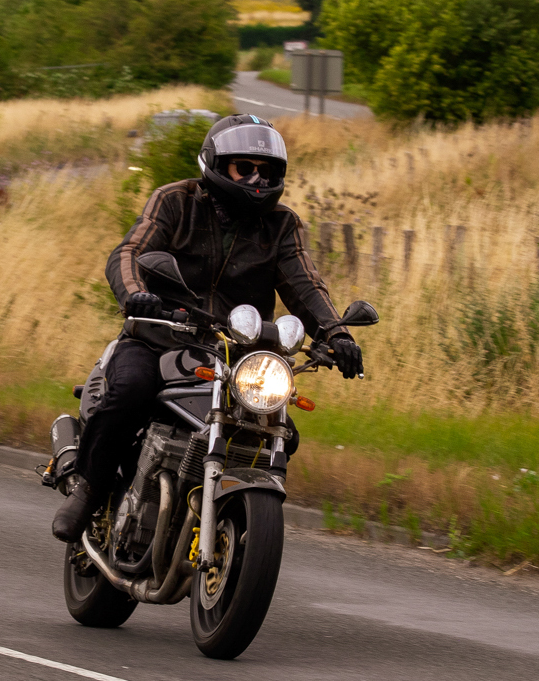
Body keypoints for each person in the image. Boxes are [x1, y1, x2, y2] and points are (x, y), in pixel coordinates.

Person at [52, 114, 365, 542]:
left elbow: (304, 284)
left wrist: (336, 334)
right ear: (216, 165)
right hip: (160, 338)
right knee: (130, 392)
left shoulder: (281, 225)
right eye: (244, 167)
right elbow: (130, 251)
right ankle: (89, 490)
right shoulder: (175, 201)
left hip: (234, 355)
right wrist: (136, 294)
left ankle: (237, 525)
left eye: (267, 171)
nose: (256, 179)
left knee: (279, 431)